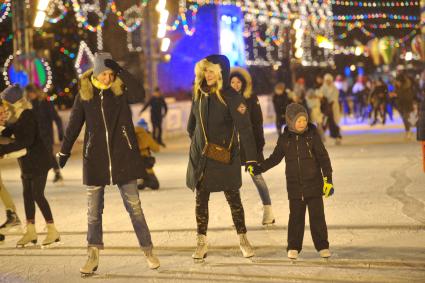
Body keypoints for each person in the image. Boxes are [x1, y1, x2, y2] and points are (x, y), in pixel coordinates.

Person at [57, 53, 160, 274]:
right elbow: (74, 125)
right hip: (95, 159)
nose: (108, 78)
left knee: (135, 208)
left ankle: (148, 250)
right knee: (93, 212)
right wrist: (64, 152)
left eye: (111, 74)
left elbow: (140, 93)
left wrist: (121, 71)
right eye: (104, 73)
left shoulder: (120, 91)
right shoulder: (84, 95)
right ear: (95, 72)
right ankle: (92, 255)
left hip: (123, 156)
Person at [186, 55, 259, 260]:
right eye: (205, 71)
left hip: (225, 156)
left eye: (211, 71)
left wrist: (251, 158)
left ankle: (243, 238)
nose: (207, 75)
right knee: (201, 200)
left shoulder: (232, 96)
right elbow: (192, 124)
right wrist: (196, 142)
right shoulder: (199, 94)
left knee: (233, 199)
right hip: (203, 157)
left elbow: (245, 128)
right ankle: (201, 241)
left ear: (221, 73)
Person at [253, 103, 334, 260]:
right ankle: (293, 246)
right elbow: (275, 158)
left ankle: (322, 246)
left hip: (314, 185)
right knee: (296, 218)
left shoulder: (313, 136)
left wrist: (328, 180)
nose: (302, 123)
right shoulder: (285, 140)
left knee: (317, 217)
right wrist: (259, 168)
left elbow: (324, 159)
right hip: (295, 187)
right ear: (290, 121)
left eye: (304, 120)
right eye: (299, 121)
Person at [0, 85, 60, 248]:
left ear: (13, 102)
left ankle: (52, 230)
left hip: (39, 161)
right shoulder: (16, 116)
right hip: (26, 162)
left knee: (37, 195)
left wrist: (3, 149)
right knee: (27, 195)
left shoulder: (27, 115)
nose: (4, 105)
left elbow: (25, 141)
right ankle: (31, 231)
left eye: (5, 101)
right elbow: (9, 132)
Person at [229, 67, 275, 225]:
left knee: (256, 176)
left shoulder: (250, 98)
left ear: (244, 83)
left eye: (238, 82)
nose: (235, 85)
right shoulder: (226, 100)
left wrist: (259, 145)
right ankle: (236, 215)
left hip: (250, 146)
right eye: (232, 82)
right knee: (231, 181)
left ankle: (268, 210)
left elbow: (258, 123)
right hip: (232, 146)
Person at [24, 84, 64, 183]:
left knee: (48, 154)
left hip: (46, 134)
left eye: (31, 93)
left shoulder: (45, 103)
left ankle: (57, 172)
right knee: (36, 155)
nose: (30, 95)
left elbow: (57, 118)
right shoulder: (29, 105)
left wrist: (60, 132)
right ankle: (38, 175)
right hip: (34, 135)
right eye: (29, 94)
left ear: (35, 92)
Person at [134, 118, 160, 190]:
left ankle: (141, 182)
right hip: (145, 163)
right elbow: (156, 149)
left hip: (135, 164)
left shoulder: (133, 134)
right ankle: (144, 182)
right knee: (155, 185)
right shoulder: (146, 135)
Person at [320, 74, 342, 145]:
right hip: (326, 109)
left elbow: (335, 97)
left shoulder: (334, 88)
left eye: (329, 80)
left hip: (334, 107)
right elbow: (321, 97)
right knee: (324, 122)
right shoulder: (323, 88)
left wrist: (331, 103)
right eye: (327, 80)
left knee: (334, 123)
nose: (328, 82)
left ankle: (337, 137)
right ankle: (320, 138)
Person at [394, 74, 415, 140]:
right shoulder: (397, 87)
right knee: (404, 119)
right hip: (400, 105)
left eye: (398, 81)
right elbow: (397, 96)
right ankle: (408, 131)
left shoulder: (407, 87)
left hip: (407, 105)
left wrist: (397, 94)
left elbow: (408, 97)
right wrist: (394, 96)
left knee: (406, 118)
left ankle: (408, 132)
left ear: (401, 81)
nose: (396, 83)